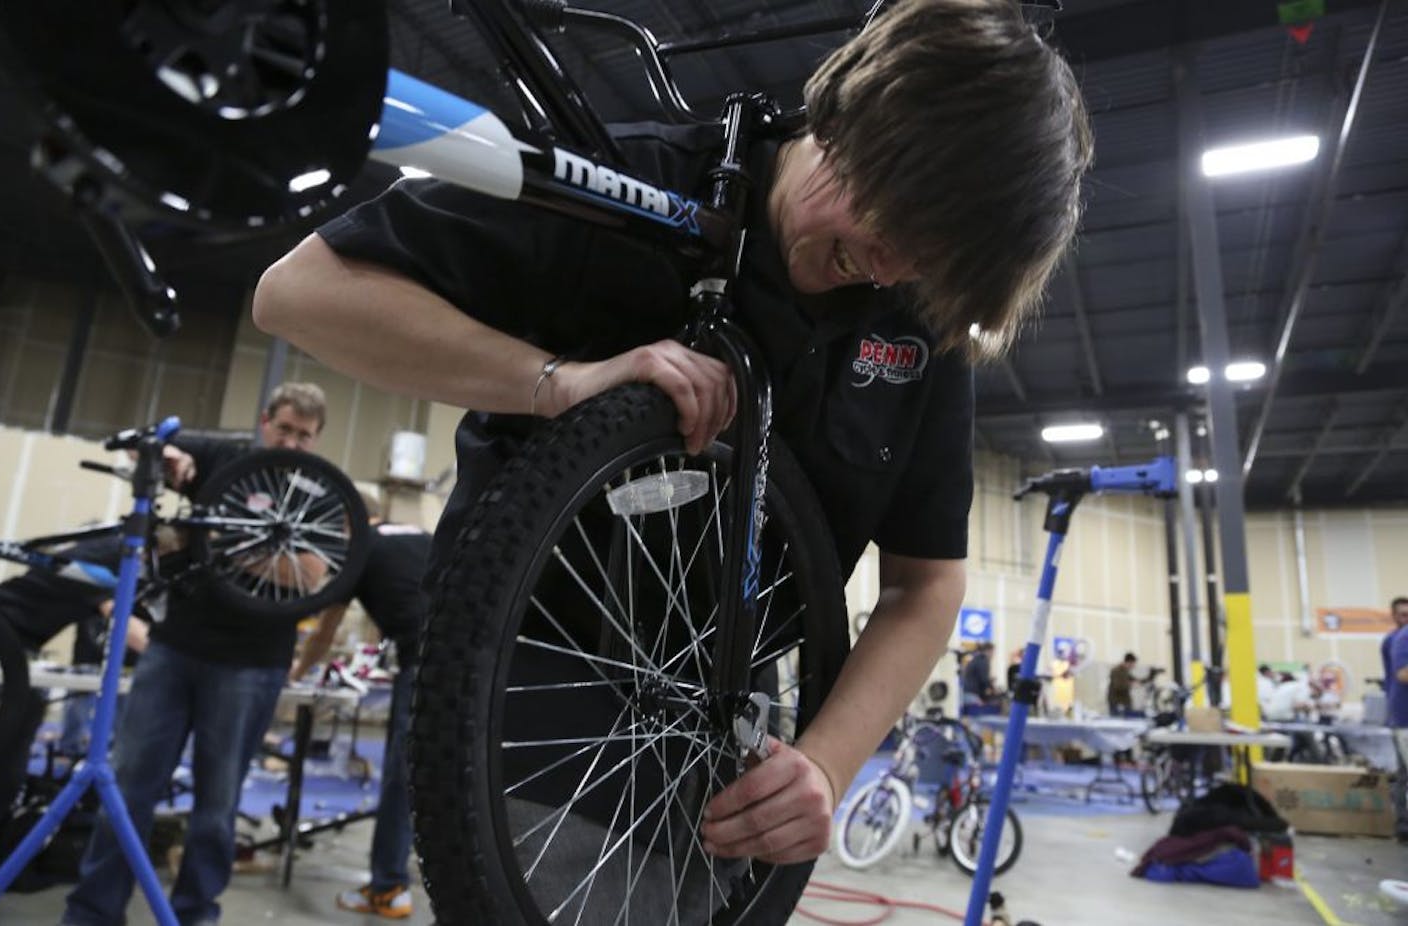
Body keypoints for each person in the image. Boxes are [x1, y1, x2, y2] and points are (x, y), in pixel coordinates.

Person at [253, 0, 1091, 866]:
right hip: (531, 691)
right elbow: (300, 293)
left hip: (730, 739)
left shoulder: (919, 317)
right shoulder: (624, 182)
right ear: (849, 116)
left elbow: (927, 587)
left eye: (929, 258)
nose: (889, 268)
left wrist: (827, 767)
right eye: (892, 226)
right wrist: (555, 384)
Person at [62, 382, 328, 926]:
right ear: (264, 422)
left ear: (316, 439)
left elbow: (310, 576)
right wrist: (171, 457)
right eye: (284, 429)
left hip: (253, 664)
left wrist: (210, 543)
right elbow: (153, 444)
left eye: (305, 436)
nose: (293, 443)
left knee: (217, 808)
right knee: (128, 786)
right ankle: (92, 914)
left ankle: (193, 917)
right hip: (173, 648)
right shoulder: (225, 456)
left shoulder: (317, 492)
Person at [288, 508, 431, 920]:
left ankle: (387, 889)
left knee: (401, 776)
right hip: (476, 656)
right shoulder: (415, 532)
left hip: (424, 661)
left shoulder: (360, 549)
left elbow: (325, 629)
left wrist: (295, 673)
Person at [0, 536, 150, 828]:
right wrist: (167, 656)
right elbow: (124, 621)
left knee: (21, 722)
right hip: (1, 632)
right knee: (19, 722)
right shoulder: (105, 562)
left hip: (16, 634)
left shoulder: (109, 554)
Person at [1386, 597, 1408, 842]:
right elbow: (1401, 674)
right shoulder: (1400, 639)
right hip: (1404, 716)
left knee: (1403, 775)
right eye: (1402, 614)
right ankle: (1403, 825)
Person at [960, 643, 998, 712]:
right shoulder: (983, 660)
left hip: (966, 693)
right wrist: (994, 690)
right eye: (993, 652)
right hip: (972, 695)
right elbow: (984, 679)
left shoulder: (975, 659)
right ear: (989, 651)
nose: (993, 655)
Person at [1107, 652, 1137, 716]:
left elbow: (1135, 680)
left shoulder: (1126, 671)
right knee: (1117, 722)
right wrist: (1130, 685)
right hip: (1118, 702)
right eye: (1133, 664)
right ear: (1129, 662)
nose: (1134, 666)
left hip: (1124, 702)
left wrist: (1149, 677)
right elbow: (1118, 686)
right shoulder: (1117, 671)